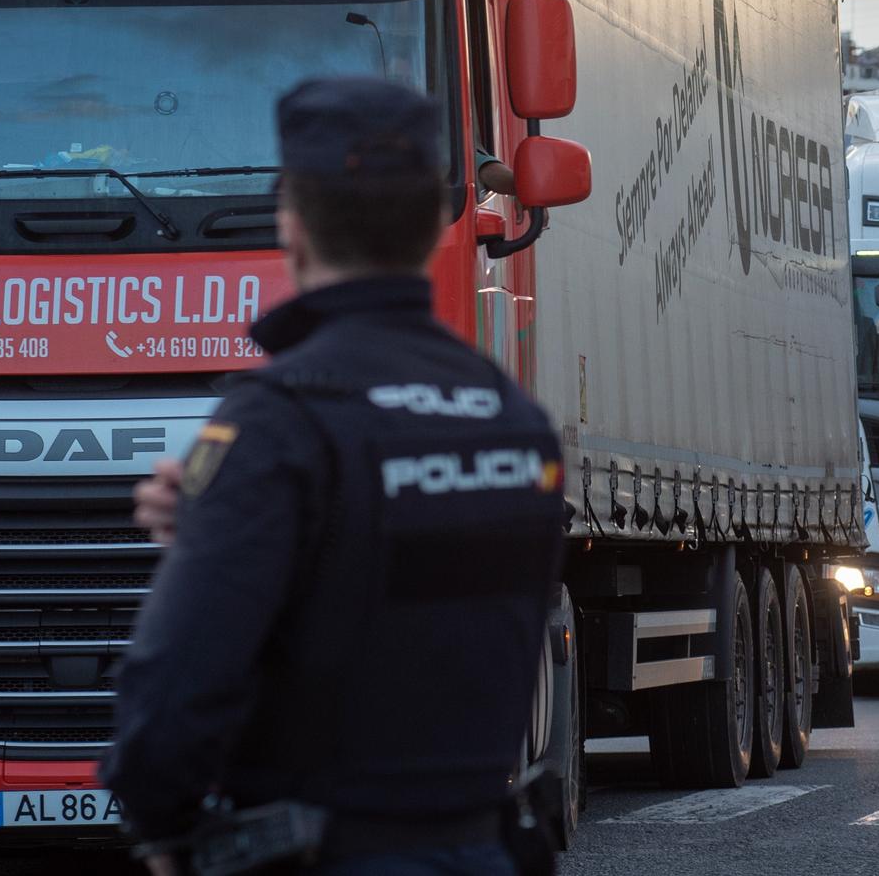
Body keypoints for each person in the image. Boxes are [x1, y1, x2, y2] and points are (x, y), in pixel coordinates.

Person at [105, 76, 566, 876]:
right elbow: (413, 594)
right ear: (435, 220)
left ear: (291, 225)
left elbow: (175, 693)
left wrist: (164, 825)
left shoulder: (279, 423)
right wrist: (240, 519)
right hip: (481, 847)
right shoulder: (515, 420)